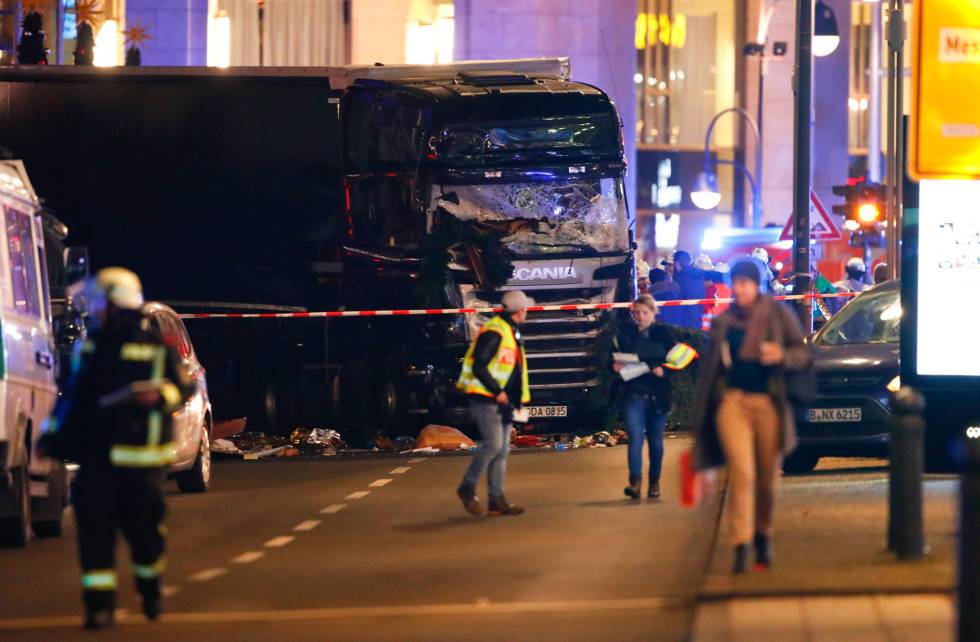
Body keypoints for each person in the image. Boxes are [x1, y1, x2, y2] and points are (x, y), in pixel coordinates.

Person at [38, 268, 195, 629]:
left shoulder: (156, 346)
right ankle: (99, 606)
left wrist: (159, 396)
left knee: (145, 535)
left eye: (99, 304)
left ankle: (150, 589)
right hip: (98, 459)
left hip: (143, 462)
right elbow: (73, 399)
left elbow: (183, 386)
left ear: (115, 304)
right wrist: (51, 437)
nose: (94, 311)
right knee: (94, 532)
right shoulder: (91, 348)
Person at [691, 260, 811, 574]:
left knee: (768, 479)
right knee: (743, 474)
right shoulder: (724, 321)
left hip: (769, 403)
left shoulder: (777, 314)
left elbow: (803, 353)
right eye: (737, 282)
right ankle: (741, 544)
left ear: (758, 285)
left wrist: (782, 355)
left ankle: (763, 534)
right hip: (733, 404)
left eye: (746, 282)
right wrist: (703, 414)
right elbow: (710, 371)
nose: (740, 288)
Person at [456, 290, 531, 517]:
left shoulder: (509, 330)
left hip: (503, 400)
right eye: (526, 309)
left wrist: (515, 400)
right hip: (486, 397)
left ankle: (496, 499)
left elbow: (512, 370)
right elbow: (479, 365)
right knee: (493, 444)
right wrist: (497, 391)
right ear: (520, 311)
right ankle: (467, 487)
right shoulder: (496, 331)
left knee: (502, 449)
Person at [612, 295, 679, 500]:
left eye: (644, 312)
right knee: (635, 438)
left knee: (656, 441)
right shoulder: (625, 335)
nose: (640, 317)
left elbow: (678, 361)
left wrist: (664, 370)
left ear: (654, 312)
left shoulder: (664, 335)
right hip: (634, 393)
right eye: (637, 313)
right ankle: (635, 483)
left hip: (658, 394)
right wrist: (614, 365)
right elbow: (611, 358)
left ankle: (654, 483)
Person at [672, 250, 708, 330]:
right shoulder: (699, 278)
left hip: (683, 325)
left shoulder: (679, 279)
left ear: (676, 263)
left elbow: (676, 304)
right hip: (697, 323)